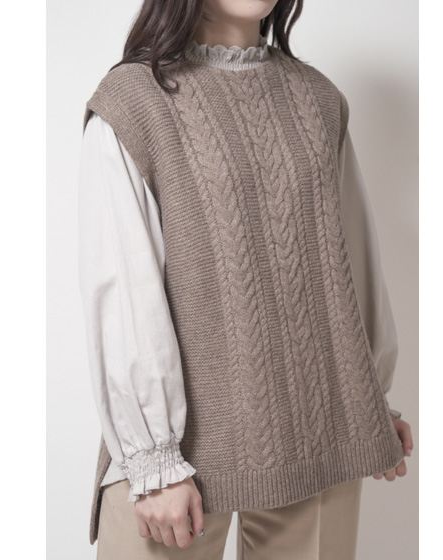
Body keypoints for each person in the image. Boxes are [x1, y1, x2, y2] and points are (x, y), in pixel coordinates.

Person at [78, 1, 414, 558]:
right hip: (175, 462)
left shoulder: (319, 99)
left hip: (319, 436)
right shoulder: (134, 100)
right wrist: (154, 461)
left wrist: (371, 402)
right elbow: (123, 286)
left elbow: (349, 257)